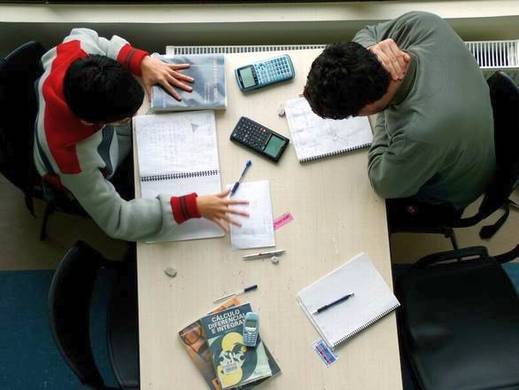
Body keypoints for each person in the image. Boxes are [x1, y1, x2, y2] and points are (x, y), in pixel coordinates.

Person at [34, 28, 247, 241]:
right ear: (92, 122)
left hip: (104, 138)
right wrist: (191, 207)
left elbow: (98, 41)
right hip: (74, 178)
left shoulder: (76, 49)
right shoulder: (72, 160)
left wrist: (142, 63)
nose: (136, 115)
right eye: (126, 117)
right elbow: (117, 219)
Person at [304, 11, 495, 224]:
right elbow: (367, 32)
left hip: (446, 194)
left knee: (357, 213)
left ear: (368, 106)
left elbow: (382, 183)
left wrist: (385, 114)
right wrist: (371, 51)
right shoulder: (424, 23)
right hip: (463, 139)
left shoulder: (420, 131)